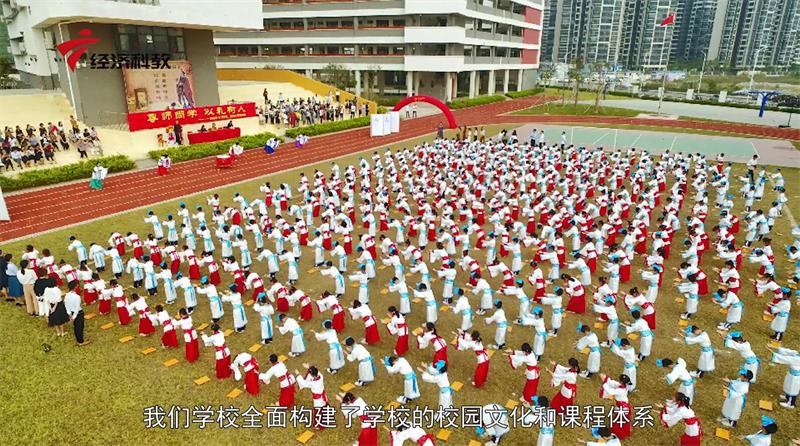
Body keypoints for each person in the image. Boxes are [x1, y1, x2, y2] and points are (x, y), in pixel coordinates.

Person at [64, 281, 89, 346]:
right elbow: (77, 308)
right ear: (75, 287)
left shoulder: (67, 295)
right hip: (78, 313)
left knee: (76, 327)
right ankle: (80, 341)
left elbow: (66, 306)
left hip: (71, 312)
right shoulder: (77, 297)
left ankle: (79, 339)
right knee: (80, 327)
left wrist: (69, 315)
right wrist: (74, 317)